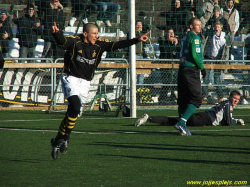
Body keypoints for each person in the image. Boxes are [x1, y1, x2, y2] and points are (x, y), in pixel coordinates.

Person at [50, 22, 150, 159]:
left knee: (72, 113)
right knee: (74, 106)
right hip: (71, 78)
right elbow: (62, 41)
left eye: (97, 33)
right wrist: (56, 33)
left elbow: (117, 45)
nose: (96, 36)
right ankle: (66, 138)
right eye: (94, 33)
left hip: (85, 83)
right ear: (85, 34)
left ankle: (57, 140)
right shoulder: (75, 41)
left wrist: (137, 40)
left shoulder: (100, 44)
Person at [135, 90, 245, 127]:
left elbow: (227, 118)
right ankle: (184, 103)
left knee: (174, 121)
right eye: (234, 98)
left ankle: (149, 118)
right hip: (206, 119)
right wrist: (237, 121)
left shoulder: (227, 104)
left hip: (205, 116)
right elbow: (228, 121)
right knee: (190, 121)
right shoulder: (228, 104)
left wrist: (234, 120)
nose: (235, 101)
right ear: (230, 97)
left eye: (237, 99)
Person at [175, 17, 206, 136]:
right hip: (191, 70)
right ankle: (182, 123)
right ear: (192, 26)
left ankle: (182, 126)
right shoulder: (195, 37)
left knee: (183, 99)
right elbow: (195, 54)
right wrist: (202, 67)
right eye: (198, 25)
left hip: (182, 69)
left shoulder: (185, 37)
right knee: (197, 97)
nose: (200, 27)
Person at [158, 28, 180, 104]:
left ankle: (173, 97)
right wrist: (171, 43)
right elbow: (166, 51)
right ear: (166, 35)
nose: (171, 35)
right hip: (165, 66)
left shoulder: (176, 43)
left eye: (172, 33)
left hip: (174, 66)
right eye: (169, 33)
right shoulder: (163, 42)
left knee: (174, 82)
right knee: (167, 82)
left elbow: (177, 53)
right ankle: (162, 98)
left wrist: (176, 44)